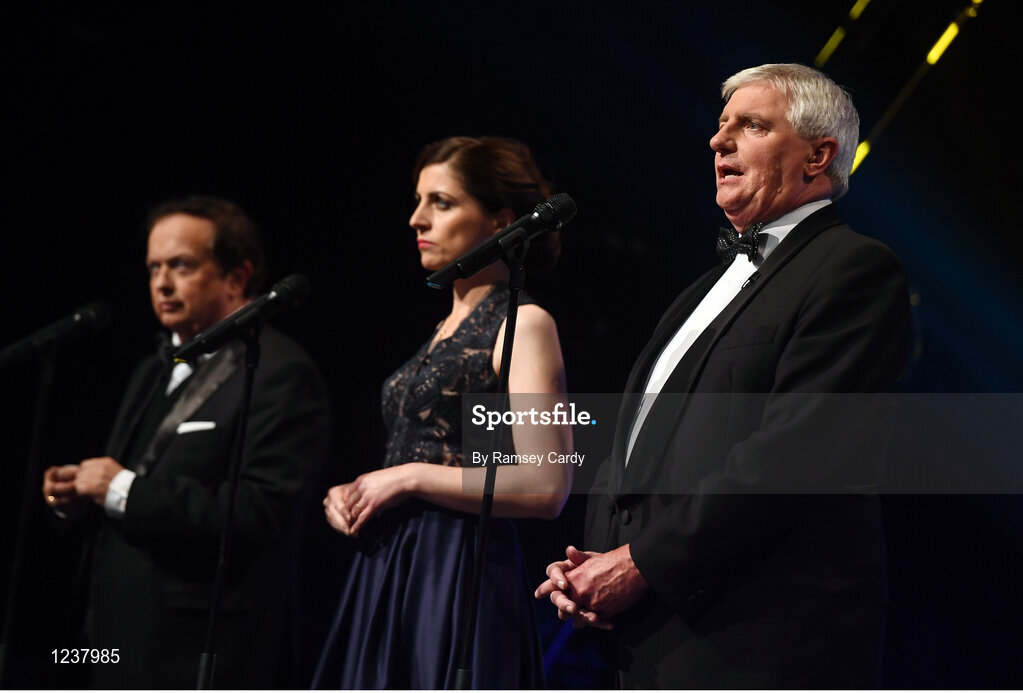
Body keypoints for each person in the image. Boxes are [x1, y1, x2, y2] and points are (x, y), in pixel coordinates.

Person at [536, 63, 913, 688]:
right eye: (720, 125)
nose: (718, 141)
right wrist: (594, 564)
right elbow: (636, 444)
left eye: (752, 125)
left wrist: (640, 564)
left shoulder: (854, 269)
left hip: (759, 640)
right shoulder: (703, 289)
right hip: (652, 633)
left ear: (818, 156)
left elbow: (796, 454)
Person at [313, 136, 572, 689]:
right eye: (418, 200)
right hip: (390, 560)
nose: (417, 218)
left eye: (442, 202)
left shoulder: (523, 323)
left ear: (500, 221)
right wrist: (359, 491)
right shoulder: (440, 332)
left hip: (454, 566)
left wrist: (407, 478)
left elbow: (547, 485)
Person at [41, 196, 331, 689]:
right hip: (106, 639)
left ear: (237, 277)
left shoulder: (280, 372)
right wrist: (79, 498)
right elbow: (125, 489)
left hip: (188, 649)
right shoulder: (150, 371)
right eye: (154, 267)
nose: (162, 282)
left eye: (181, 265)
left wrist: (123, 490)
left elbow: (264, 511)